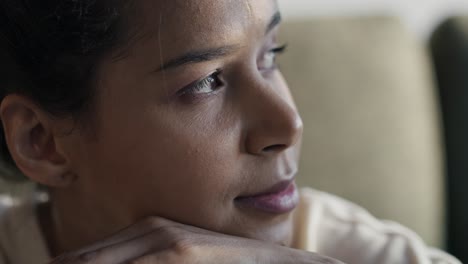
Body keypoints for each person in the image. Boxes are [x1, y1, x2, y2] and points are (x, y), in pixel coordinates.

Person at [0, 0, 461, 263]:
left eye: (270, 54)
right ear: (42, 141)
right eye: (206, 82)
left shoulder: (362, 253)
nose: (288, 124)